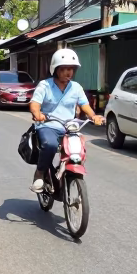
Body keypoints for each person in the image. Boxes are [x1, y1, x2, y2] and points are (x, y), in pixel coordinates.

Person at [28, 49, 105, 192]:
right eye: (64, 69)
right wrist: (37, 113)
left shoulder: (76, 87)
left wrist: (94, 116)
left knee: (78, 149)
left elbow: (85, 105)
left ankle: (66, 171)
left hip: (69, 128)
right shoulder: (45, 85)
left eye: (71, 69)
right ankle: (39, 173)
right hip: (48, 126)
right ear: (55, 69)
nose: (68, 72)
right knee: (50, 145)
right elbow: (35, 104)